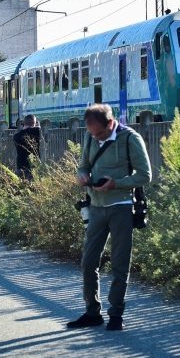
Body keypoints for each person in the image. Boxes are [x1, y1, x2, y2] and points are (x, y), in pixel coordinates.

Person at [67, 103, 151, 331]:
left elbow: (145, 175)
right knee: (88, 262)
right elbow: (83, 165)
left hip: (121, 207)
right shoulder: (90, 136)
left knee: (120, 263)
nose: (97, 137)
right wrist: (82, 176)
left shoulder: (130, 139)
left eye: (101, 133)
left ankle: (116, 314)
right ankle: (92, 312)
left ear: (111, 123)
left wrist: (117, 184)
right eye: (93, 133)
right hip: (96, 206)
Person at [12, 114, 41, 181]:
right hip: (33, 168)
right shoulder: (37, 132)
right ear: (34, 123)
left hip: (20, 167)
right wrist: (37, 124)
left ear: (24, 123)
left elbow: (25, 131)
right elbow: (37, 128)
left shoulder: (16, 136)